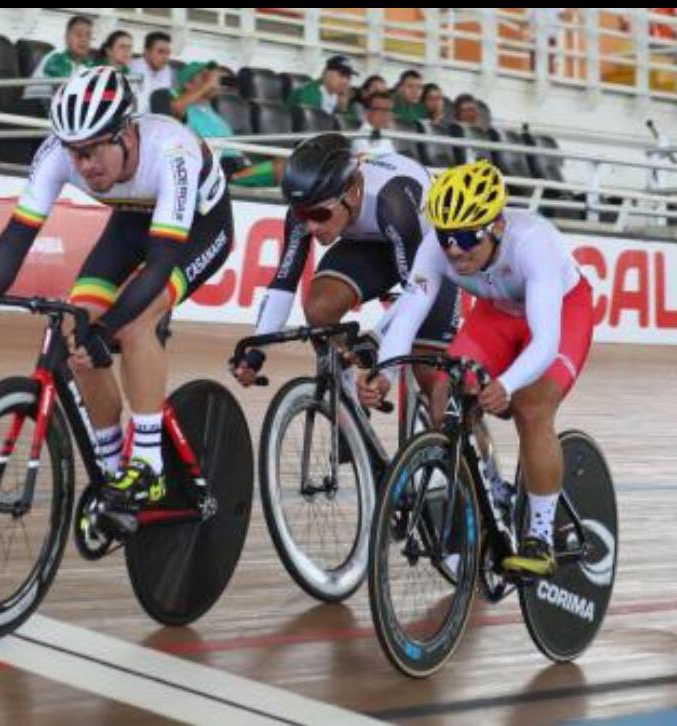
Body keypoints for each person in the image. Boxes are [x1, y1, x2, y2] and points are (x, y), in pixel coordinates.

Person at [0, 67, 233, 534]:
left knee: (134, 326)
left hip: (197, 230)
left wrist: (108, 326)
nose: (84, 166)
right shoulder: (59, 151)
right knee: (74, 333)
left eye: (94, 150)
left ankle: (148, 466)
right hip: (129, 223)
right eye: (75, 154)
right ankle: (111, 466)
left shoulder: (171, 150)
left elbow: (160, 263)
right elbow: (16, 238)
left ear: (126, 135)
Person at [358, 160, 594, 577]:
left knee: (531, 406)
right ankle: (487, 492)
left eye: (467, 237)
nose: (454, 249)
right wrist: (386, 373)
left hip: (559, 314)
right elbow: (408, 316)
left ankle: (539, 538)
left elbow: (545, 342)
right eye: (447, 236)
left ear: (497, 226)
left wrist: (506, 383)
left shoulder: (533, 244)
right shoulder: (436, 248)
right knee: (444, 391)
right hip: (496, 314)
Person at [233, 133, 460, 402]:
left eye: (319, 215)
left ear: (351, 194)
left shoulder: (393, 203)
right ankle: (349, 405)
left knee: (432, 380)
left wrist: (377, 341)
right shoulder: (309, 204)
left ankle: (463, 437)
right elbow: (284, 281)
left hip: (429, 254)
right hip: (371, 244)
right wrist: (258, 351)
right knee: (320, 310)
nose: (311, 227)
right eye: (303, 216)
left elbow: (417, 292)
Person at [169, 61, 282, 187]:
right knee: (282, 168)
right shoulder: (186, 109)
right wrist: (208, 84)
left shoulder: (212, 112)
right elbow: (175, 107)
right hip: (218, 170)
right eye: (203, 76)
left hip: (240, 167)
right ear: (188, 84)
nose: (212, 80)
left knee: (291, 164)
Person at [24, 15, 95, 100]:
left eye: (88, 36)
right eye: (78, 34)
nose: (84, 40)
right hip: (36, 106)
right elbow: (64, 91)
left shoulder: (87, 64)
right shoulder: (56, 57)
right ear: (66, 37)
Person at [288, 55, 357, 116]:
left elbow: (352, 125)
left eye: (348, 77)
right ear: (325, 73)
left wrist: (343, 108)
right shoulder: (308, 93)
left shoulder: (343, 97)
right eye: (341, 75)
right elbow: (314, 124)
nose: (345, 81)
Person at [131, 31, 173, 112]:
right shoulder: (132, 69)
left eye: (168, 53)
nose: (165, 57)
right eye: (160, 52)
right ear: (146, 52)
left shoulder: (167, 71)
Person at [352, 91, 396, 155]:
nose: (386, 114)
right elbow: (364, 161)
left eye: (389, 110)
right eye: (381, 110)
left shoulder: (386, 134)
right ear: (367, 112)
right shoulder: (360, 137)